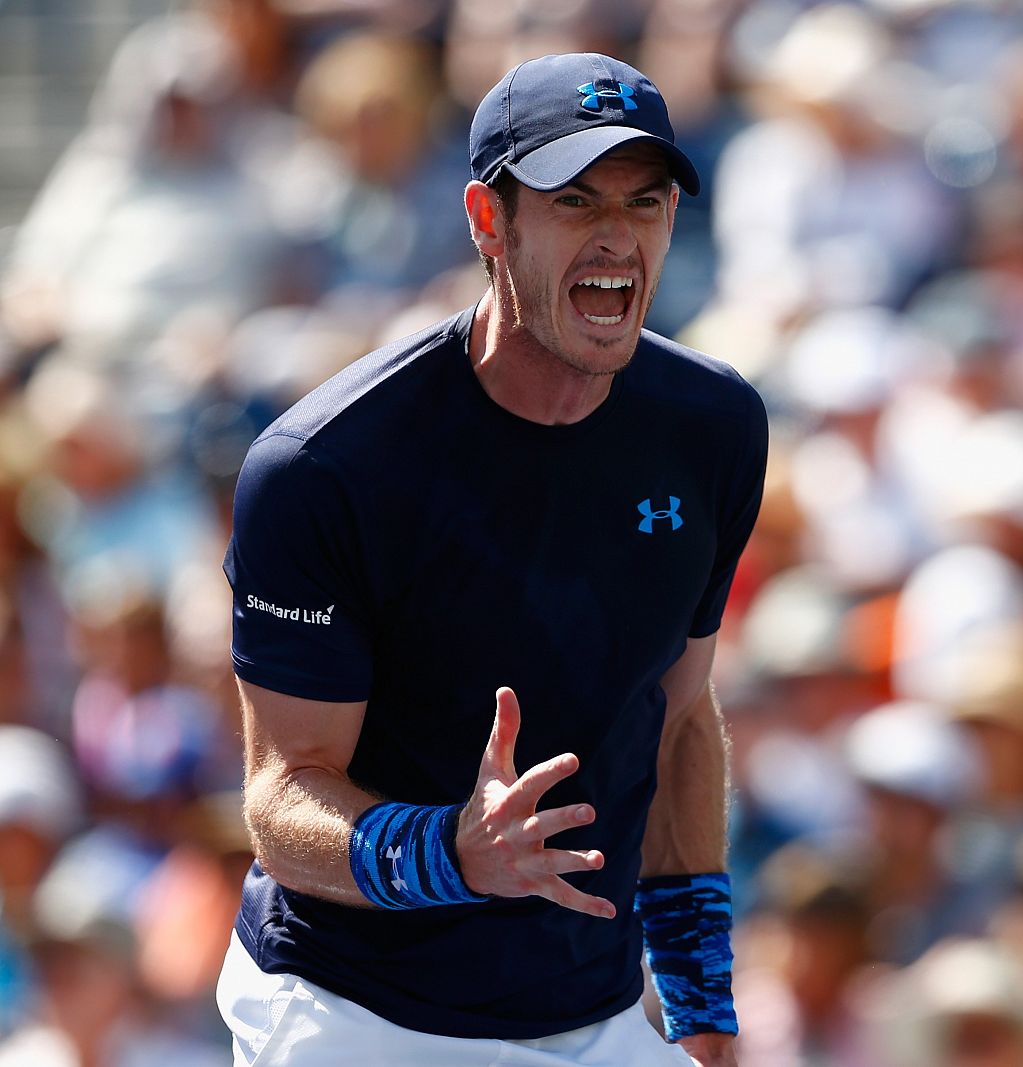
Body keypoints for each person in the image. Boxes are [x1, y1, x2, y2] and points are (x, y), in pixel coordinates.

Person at [212, 52, 766, 1067]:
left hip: (596, 1015)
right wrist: (451, 853)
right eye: (574, 201)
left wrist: (700, 1005)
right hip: (352, 1014)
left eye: (644, 204)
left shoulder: (715, 424)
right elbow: (283, 798)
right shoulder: (323, 466)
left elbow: (680, 715)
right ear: (486, 220)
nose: (617, 238)